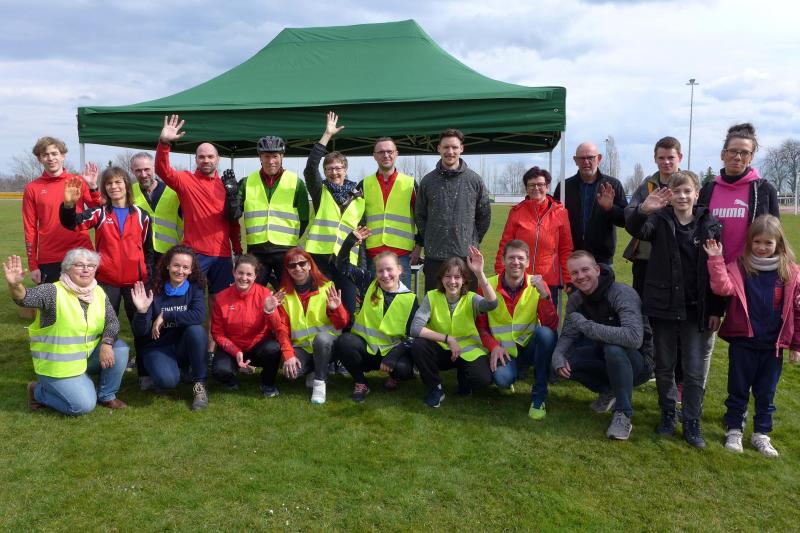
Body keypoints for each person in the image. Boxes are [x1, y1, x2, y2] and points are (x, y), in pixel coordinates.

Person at [626, 171, 722, 448]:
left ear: (696, 194)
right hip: (664, 307)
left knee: (693, 370)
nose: (682, 196)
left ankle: (692, 420)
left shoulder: (710, 225)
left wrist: (716, 309)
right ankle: (668, 412)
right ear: (669, 195)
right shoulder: (658, 220)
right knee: (665, 365)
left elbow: (717, 269)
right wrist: (644, 210)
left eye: (687, 191)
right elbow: (635, 230)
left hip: (696, 309)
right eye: (676, 191)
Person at [705, 215, 800, 458]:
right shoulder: (740, 267)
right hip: (744, 342)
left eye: (768, 243)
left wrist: (796, 345)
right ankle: (734, 429)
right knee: (737, 389)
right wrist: (716, 259)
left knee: (766, 393)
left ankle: (761, 434)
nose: (762, 247)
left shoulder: (790, 273)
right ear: (749, 242)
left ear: (779, 243)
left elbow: (797, 311)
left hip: (772, 347)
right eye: (757, 242)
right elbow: (722, 287)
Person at [5, 249, 128, 415]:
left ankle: (106, 395)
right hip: (57, 367)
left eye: (91, 266)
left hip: (85, 357)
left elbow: (112, 322)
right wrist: (15, 285)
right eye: (79, 265)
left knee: (119, 348)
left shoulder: (97, 292)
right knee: (83, 406)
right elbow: (25, 298)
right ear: (67, 268)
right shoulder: (52, 291)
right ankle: (37, 391)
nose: (86, 269)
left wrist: (106, 344)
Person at [551, 251, 654, 440]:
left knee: (612, 348)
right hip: (603, 356)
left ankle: (623, 414)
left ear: (597, 270)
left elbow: (634, 338)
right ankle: (608, 391)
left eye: (585, 270)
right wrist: (558, 357)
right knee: (564, 362)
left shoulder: (621, 293)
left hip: (639, 364)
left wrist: (587, 326)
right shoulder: (576, 299)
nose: (580, 276)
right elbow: (568, 334)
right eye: (574, 273)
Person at [155, 114, 242, 298]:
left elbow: (233, 222)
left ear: (218, 159)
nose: (206, 160)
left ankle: (213, 320)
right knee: (190, 298)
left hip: (222, 255)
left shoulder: (226, 185)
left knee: (220, 301)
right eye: (201, 157)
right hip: (195, 254)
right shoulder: (186, 180)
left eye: (210, 157)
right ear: (196, 159)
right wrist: (164, 143)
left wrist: (238, 250)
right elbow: (162, 170)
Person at [333, 226, 419, 402]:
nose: (385, 275)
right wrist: (350, 242)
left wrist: (393, 356)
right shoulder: (368, 283)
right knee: (343, 342)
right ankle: (361, 383)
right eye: (380, 271)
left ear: (400, 270)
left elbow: (413, 336)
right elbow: (342, 266)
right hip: (366, 349)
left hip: (391, 351)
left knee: (404, 369)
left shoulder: (410, 298)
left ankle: (394, 376)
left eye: (389, 269)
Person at [479, 240, 558, 420]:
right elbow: (480, 326)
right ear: (503, 260)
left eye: (520, 258)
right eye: (511, 258)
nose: (516, 262)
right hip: (504, 350)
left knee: (545, 334)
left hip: (529, 347)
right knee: (503, 380)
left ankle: (539, 397)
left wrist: (545, 296)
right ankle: (515, 372)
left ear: (528, 262)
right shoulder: (487, 286)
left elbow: (551, 325)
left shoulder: (538, 284)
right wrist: (493, 346)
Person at [410, 247, 497, 408]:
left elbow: (492, 304)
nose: (452, 281)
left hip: (468, 351)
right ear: (441, 278)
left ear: (464, 280)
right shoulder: (432, 296)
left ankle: (464, 380)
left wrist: (479, 273)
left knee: (482, 379)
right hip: (442, 349)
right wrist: (448, 339)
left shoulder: (471, 298)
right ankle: (436, 388)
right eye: (448, 276)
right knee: (418, 345)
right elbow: (415, 328)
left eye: (457, 277)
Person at [226, 133, 310, 289]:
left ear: (282, 156)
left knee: (290, 294)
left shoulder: (296, 183)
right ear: (260, 157)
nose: (271, 161)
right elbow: (234, 215)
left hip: (285, 250)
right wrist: (231, 197)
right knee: (252, 294)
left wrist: (291, 238)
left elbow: (305, 218)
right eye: (266, 156)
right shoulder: (247, 182)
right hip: (257, 250)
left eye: (275, 156)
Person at [130, 245, 209, 411]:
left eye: (185, 267)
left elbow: (198, 316)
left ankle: (199, 385)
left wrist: (166, 316)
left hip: (182, 346)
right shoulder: (153, 288)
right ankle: (164, 370)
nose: (180, 271)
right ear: (167, 265)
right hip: (157, 346)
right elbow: (140, 332)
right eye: (176, 265)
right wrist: (142, 312)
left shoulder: (195, 288)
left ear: (191, 270)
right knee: (168, 381)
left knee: (196, 331)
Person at [303, 112, 364, 318]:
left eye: (338, 168)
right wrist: (327, 135)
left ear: (345, 170)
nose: (334, 172)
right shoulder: (319, 191)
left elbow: (361, 232)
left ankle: (345, 336)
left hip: (347, 259)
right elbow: (310, 167)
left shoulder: (359, 197)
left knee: (348, 307)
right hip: (320, 257)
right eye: (329, 169)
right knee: (321, 307)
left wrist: (361, 264)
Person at [416, 128, 492, 291]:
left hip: (466, 257)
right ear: (439, 148)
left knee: (467, 302)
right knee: (434, 303)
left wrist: (471, 239)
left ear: (461, 149)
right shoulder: (428, 181)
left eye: (454, 147)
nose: (450, 152)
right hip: (435, 257)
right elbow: (420, 216)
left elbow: (484, 215)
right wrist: (431, 237)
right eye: (446, 147)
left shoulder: (474, 180)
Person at [210, 254, 293, 396]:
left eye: (249, 274)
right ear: (233, 272)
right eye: (240, 273)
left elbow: (276, 328)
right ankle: (231, 380)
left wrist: (269, 311)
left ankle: (267, 384)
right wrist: (235, 351)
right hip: (232, 347)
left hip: (257, 346)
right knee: (220, 370)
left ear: (255, 276)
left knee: (273, 348)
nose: (244, 278)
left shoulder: (265, 294)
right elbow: (217, 333)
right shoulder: (221, 297)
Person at [23, 136, 102, 284]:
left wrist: (93, 188)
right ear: (39, 158)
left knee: (85, 298)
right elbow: (30, 228)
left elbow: (99, 212)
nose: (50, 158)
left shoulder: (78, 181)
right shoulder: (32, 188)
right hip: (50, 258)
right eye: (45, 155)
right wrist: (33, 265)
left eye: (54, 153)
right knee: (54, 299)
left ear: (63, 155)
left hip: (81, 254)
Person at [698, 123, 779, 264]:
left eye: (745, 153)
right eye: (733, 151)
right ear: (723, 154)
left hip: (750, 271)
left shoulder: (765, 191)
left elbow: (776, 236)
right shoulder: (707, 190)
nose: (738, 157)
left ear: (751, 157)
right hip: (712, 269)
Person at [276, 248, 350, 404]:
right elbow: (282, 328)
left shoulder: (327, 287)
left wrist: (336, 309)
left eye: (302, 263)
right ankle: (314, 369)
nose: (298, 268)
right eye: (292, 265)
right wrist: (289, 355)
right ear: (287, 270)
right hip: (302, 347)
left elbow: (342, 323)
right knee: (291, 373)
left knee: (321, 339)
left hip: (327, 345)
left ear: (310, 265)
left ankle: (319, 382)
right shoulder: (284, 294)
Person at [494, 166, 572, 304]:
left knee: (548, 316)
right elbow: (505, 245)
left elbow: (565, 248)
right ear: (526, 188)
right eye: (531, 185)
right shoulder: (516, 212)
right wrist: (500, 273)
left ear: (547, 187)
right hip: (519, 278)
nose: (536, 188)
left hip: (549, 280)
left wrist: (568, 278)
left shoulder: (560, 213)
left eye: (540, 184)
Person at [623, 136, 684, 296]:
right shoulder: (647, 185)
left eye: (671, 157)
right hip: (646, 256)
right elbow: (629, 213)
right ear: (655, 159)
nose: (666, 162)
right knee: (642, 302)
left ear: (680, 157)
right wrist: (644, 209)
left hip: (679, 255)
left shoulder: (688, 185)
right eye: (661, 158)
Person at [554, 142, 627, 266]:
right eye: (582, 158)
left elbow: (624, 220)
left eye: (590, 157)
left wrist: (610, 208)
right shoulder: (564, 187)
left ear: (599, 158)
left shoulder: (612, 185)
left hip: (602, 258)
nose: (586, 162)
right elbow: (554, 219)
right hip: (572, 254)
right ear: (575, 160)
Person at [362, 136, 420, 288]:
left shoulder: (410, 184)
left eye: (390, 151)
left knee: (402, 299)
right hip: (372, 253)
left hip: (402, 254)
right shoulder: (364, 184)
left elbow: (421, 218)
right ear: (374, 156)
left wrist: (419, 246)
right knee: (373, 298)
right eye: (381, 152)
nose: (386, 155)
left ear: (396, 154)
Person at [130, 151, 183, 267]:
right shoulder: (129, 193)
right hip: (140, 253)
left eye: (147, 169)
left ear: (154, 168)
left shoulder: (174, 191)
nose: (143, 174)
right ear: (132, 170)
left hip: (169, 253)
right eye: (138, 170)